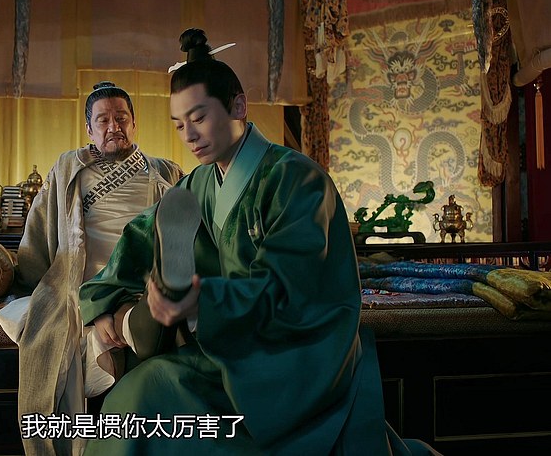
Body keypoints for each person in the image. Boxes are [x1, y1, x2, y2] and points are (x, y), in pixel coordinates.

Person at [78, 29, 441, 455]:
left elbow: (287, 284)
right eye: (179, 125)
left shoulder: (297, 180)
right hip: (230, 343)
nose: (189, 135)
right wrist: (101, 302)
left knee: (159, 403)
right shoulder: (199, 184)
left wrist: (202, 301)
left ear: (238, 106)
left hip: (293, 353)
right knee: (136, 396)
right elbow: (143, 236)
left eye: (199, 118)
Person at [0, 81, 184, 456]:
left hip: (143, 285)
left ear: (134, 123)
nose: (114, 127)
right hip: (80, 283)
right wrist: (28, 286)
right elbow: (38, 234)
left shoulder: (165, 171)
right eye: (103, 120)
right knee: (52, 343)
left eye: (121, 118)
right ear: (89, 129)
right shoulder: (69, 169)